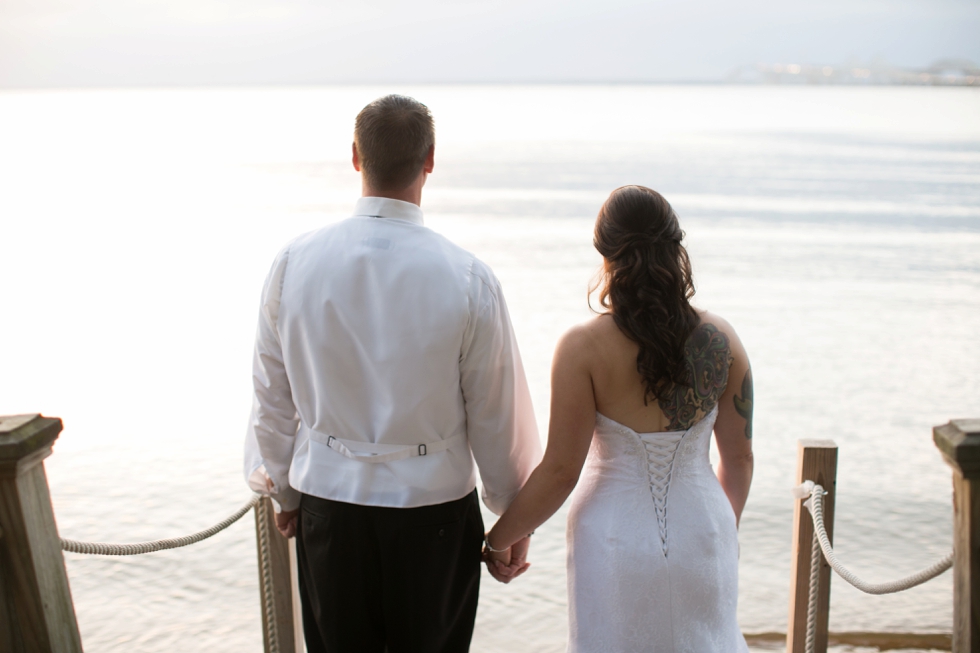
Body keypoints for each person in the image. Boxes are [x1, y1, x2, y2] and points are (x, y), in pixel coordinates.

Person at [243, 94, 541, 653]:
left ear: (355, 156)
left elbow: (271, 395)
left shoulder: (293, 263)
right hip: (435, 516)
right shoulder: (468, 277)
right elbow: (495, 412)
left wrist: (282, 490)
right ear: (430, 159)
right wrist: (512, 515)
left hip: (329, 505)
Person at [484, 185, 754, 651]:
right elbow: (741, 459)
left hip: (613, 539)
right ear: (675, 248)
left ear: (605, 253)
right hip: (706, 530)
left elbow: (561, 470)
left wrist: (499, 538)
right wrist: (718, 529)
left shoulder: (581, 348)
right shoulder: (721, 338)